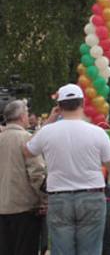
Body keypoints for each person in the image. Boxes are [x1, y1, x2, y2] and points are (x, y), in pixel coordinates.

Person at [24, 84, 110, 255]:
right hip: (92, 195)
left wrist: (49, 120)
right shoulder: (97, 133)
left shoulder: (47, 132)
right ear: (83, 103)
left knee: (61, 250)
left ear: (59, 106)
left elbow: (27, 151)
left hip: (59, 197)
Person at [0, 99, 46, 255]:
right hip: (24, 208)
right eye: (27, 113)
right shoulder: (26, 139)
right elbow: (36, 173)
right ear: (21, 116)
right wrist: (44, 199)